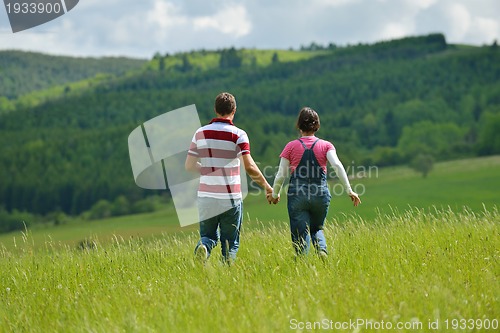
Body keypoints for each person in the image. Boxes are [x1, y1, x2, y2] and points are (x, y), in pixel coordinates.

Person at [185, 92, 272, 264]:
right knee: (230, 244)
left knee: (208, 236)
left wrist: (208, 170)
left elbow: (189, 166)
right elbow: (249, 167)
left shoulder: (200, 133)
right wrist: (267, 187)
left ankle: (204, 246)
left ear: (215, 109)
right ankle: (226, 274)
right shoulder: (238, 135)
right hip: (230, 198)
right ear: (234, 110)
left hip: (206, 197)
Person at [268, 107, 361, 258]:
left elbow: (281, 175)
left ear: (299, 125)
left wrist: (275, 194)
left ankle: (302, 262)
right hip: (320, 194)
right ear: (317, 125)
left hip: (298, 196)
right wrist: (349, 190)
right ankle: (322, 251)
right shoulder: (326, 146)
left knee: (300, 232)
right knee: (316, 228)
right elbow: (337, 166)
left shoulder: (290, 146)